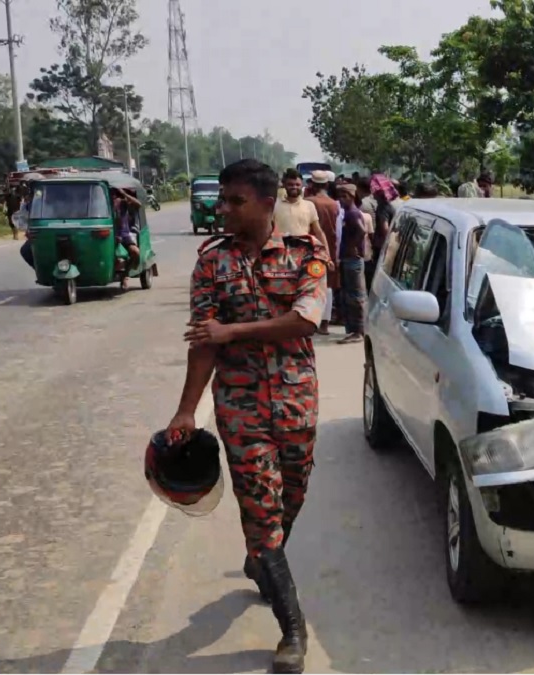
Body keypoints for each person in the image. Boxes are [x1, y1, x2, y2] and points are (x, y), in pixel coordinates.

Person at [166, 159, 325, 675]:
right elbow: (203, 343)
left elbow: (305, 320)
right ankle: (292, 629)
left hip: (297, 402)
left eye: (235, 201)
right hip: (240, 407)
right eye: (223, 200)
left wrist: (232, 332)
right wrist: (186, 409)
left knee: (290, 498)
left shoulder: (306, 254)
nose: (224, 209)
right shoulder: (211, 263)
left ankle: (262, 561)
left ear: (266, 203)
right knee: (261, 512)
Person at [305, 170, 340, 335]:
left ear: (312, 184)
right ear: (327, 184)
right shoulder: (334, 204)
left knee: (309, 284)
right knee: (328, 285)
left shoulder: (308, 203)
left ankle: (311, 320)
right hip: (330, 247)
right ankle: (325, 323)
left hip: (310, 247)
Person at [335, 183, 367, 344]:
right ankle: (355, 329)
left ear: (352, 197)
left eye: (344, 196)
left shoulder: (352, 213)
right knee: (349, 294)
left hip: (352, 259)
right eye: (339, 196)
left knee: (354, 296)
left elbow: (361, 231)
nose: (341, 199)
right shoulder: (347, 213)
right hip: (348, 259)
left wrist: (352, 246)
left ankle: (358, 331)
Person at [273, 169, 325, 245]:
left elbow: (318, 232)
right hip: (280, 248)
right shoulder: (275, 205)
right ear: (284, 185)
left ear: (302, 185)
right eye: (290, 185)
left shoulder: (309, 205)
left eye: (297, 185)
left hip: (303, 249)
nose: (294, 187)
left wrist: (326, 250)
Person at [114, 189, 143, 289]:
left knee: (135, 252)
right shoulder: (102, 203)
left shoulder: (122, 203)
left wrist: (124, 194)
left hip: (124, 235)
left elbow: (138, 204)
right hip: (109, 234)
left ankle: (125, 275)